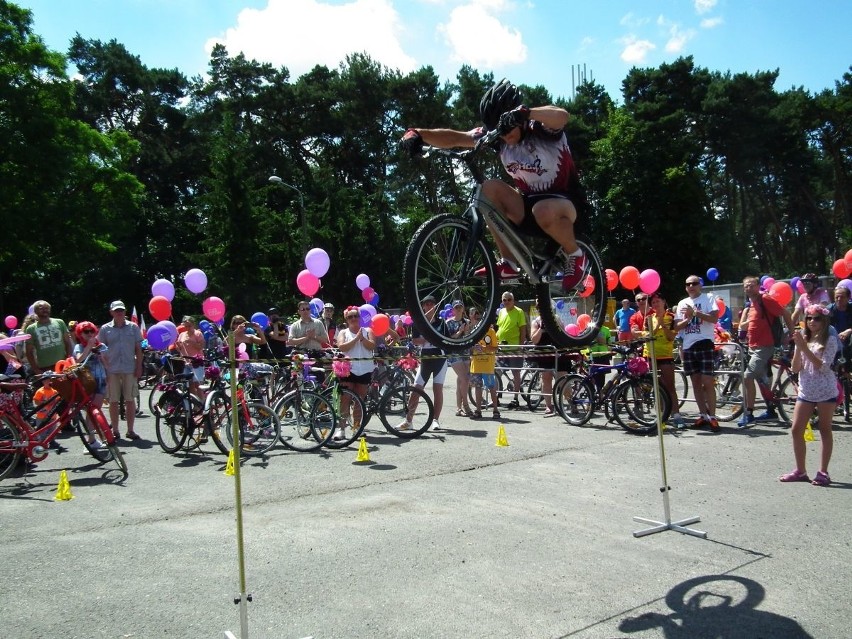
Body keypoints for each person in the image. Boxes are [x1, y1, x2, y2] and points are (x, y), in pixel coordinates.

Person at [400, 78, 587, 290]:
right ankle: (508, 263)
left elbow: (562, 116)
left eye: (508, 128)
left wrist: (527, 112)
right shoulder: (498, 136)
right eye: (500, 130)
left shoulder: (541, 129)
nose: (505, 136)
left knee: (542, 209)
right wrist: (418, 134)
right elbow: (456, 137)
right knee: (488, 189)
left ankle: (576, 254)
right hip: (529, 208)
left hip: (567, 205)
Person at [780, 305, 837, 486]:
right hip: (806, 390)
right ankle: (800, 470)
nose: (812, 322)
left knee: (824, 429)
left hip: (825, 390)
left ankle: (823, 472)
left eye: (817, 318)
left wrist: (804, 347)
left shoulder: (830, 340)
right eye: (809, 318)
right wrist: (799, 348)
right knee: (797, 429)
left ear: (824, 321)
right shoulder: (804, 339)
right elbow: (796, 368)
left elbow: (823, 366)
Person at [737, 276, 796, 427]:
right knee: (762, 381)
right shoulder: (752, 304)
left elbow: (785, 313)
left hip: (764, 347)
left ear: (758, 286)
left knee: (748, 376)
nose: (748, 288)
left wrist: (792, 333)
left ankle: (748, 413)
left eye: (751, 285)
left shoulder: (765, 299)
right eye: (746, 286)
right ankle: (771, 411)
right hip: (754, 347)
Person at [674, 276, 720, 431]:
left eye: (694, 283)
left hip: (705, 343)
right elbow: (676, 326)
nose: (691, 286)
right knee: (695, 383)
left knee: (707, 381)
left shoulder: (708, 298)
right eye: (688, 284)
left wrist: (696, 313)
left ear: (700, 285)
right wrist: (687, 319)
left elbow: (714, 318)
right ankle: (702, 414)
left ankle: (712, 416)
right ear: (686, 287)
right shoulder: (682, 303)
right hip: (688, 346)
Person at [399, 296, 447, 431]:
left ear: (435, 306)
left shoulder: (442, 323)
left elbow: (447, 339)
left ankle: (435, 420)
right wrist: (428, 338)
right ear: (423, 306)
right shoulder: (419, 322)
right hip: (425, 358)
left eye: (432, 303)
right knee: (416, 389)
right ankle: (408, 421)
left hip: (440, 358)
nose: (429, 306)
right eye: (427, 304)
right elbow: (414, 340)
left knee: (437, 390)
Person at [98, 300, 143, 440]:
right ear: (111, 312)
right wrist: (105, 368)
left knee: (130, 399)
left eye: (121, 310)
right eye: (116, 310)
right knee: (113, 400)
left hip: (129, 367)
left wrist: (139, 366)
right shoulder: (105, 329)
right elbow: (101, 351)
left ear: (125, 312)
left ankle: (130, 430)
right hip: (112, 369)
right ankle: (115, 430)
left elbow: (138, 349)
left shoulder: (133, 327)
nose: (119, 313)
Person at [641, 292, 685, 428]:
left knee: (669, 386)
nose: (655, 304)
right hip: (650, 355)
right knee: (656, 387)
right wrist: (656, 326)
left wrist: (663, 326)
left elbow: (671, 337)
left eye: (657, 301)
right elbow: (646, 335)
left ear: (664, 302)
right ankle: (661, 416)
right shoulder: (649, 317)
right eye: (653, 302)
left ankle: (676, 415)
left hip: (665, 356)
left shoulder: (671, 317)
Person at [335, 307, 376, 441]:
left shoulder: (368, 331)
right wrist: (355, 339)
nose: (353, 319)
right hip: (348, 370)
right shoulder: (343, 332)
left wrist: (362, 339)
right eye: (350, 317)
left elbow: (372, 346)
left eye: (356, 316)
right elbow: (342, 347)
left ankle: (357, 428)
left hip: (364, 369)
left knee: (359, 400)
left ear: (359, 317)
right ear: (346, 319)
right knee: (345, 398)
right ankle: (341, 429)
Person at [529, 311, 572, 416]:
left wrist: (553, 324)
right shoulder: (536, 322)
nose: (540, 308)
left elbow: (563, 334)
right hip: (545, 355)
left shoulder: (556, 318)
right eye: (538, 306)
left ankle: (572, 403)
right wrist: (542, 329)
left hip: (559, 354)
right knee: (546, 378)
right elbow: (534, 340)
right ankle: (549, 405)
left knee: (563, 379)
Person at [73, 320, 109, 447]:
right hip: (88, 381)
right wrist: (88, 347)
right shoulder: (79, 347)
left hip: (101, 379)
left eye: (91, 331)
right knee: (90, 409)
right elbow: (78, 360)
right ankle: (91, 439)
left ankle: (96, 437)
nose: (89, 334)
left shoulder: (101, 345)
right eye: (85, 331)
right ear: (80, 334)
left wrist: (102, 356)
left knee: (96, 409)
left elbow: (107, 364)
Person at [24, 300, 74, 375]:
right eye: (41, 308)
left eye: (47, 308)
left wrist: (69, 359)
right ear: (35, 311)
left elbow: (67, 342)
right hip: (45, 368)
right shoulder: (31, 329)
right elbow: (29, 352)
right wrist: (35, 369)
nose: (45, 310)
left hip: (63, 364)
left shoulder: (59, 322)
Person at [496, 291, 527, 409]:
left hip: (514, 348)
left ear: (513, 300)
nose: (507, 302)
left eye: (509, 299)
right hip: (501, 347)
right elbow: (500, 327)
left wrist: (520, 346)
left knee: (516, 373)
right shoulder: (501, 312)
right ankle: (496, 396)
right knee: (497, 371)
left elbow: (523, 329)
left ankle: (515, 398)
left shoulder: (519, 312)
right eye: (504, 300)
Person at [445, 300, 473, 417]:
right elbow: (449, 339)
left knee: (461, 381)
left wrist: (466, 332)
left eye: (460, 307)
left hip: (465, 352)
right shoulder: (448, 323)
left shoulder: (467, 321)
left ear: (463, 309)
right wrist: (459, 331)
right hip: (454, 353)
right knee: (465, 379)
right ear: (452, 309)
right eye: (456, 307)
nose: (458, 309)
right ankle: (466, 405)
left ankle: (458, 407)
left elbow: (469, 338)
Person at [470, 321, 500, 419]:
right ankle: (478, 410)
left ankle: (495, 410)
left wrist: (483, 348)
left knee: (491, 387)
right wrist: (473, 347)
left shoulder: (491, 331)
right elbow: (469, 348)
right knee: (478, 388)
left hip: (487, 366)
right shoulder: (473, 331)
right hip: (476, 366)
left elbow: (495, 348)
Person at [175, 316, 206, 402]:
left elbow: (201, 346)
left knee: (198, 384)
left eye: (189, 326)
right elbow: (180, 349)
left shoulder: (198, 334)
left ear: (193, 325)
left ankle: (202, 403)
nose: (187, 328)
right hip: (186, 362)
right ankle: (196, 404)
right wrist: (178, 346)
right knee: (189, 384)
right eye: (186, 326)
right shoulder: (182, 335)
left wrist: (192, 342)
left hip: (197, 362)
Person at [829, 286, 852, 364]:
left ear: (849, 298)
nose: (839, 299)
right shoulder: (828, 310)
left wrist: (850, 330)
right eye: (837, 297)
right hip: (833, 341)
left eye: (842, 297)